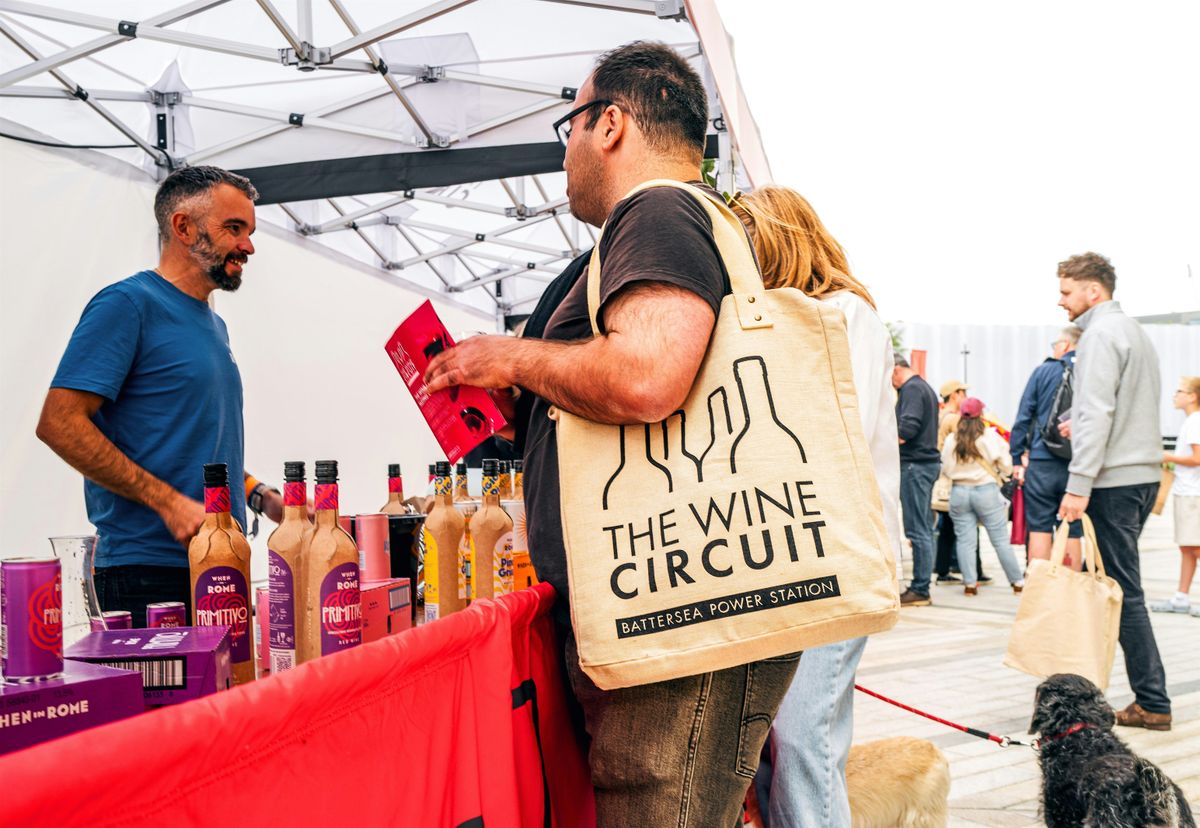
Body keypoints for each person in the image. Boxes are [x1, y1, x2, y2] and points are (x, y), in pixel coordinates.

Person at [422, 42, 797, 825]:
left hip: (677, 621)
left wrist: (511, 356)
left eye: (570, 127)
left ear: (612, 124)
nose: (564, 154)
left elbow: (647, 377)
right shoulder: (667, 221)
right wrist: (524, 397)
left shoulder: (657, 211)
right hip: (666, 613)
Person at [37, 166, 284, 628]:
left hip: (219, 564)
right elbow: (58, 423)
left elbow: (192, 440)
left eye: (249, 232)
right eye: (234, 228)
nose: (248, 246)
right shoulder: (127, 305)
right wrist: (168, 503)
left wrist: (258, 495)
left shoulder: (214, 324)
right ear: (183, 227)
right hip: (146, 576)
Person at [728, 186, 903, 827]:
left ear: (776, 239)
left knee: (804, 740)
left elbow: (833, 428)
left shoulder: (844, 314)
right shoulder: (790, 317)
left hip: (837, 553)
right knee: (775, 742)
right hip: (794, 552)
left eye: (745, 242)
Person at [1056, 251, 1170, 730]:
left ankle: (1153, 701)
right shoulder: (1133, 332)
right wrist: (1077, 422)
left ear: (1092, 291)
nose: (1061, 301)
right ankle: (1139, 694)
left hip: (1113, 480)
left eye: (1066, 291)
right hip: (1141, 473)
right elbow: (1115, 407)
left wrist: (1078, 483)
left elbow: (1099, 411)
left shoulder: (1100, 335)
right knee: (1118, 586)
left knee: (1123, 591)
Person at [1010, 327, 1084, 568]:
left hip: (1042, 461)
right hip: (1078, 463)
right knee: (1072, 526)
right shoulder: (1089, 371)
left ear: (1065, 345)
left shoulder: (1043, 371)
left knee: (1040, 527)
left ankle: (1039, 585)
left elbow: (1023, 417)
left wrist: (1016, 457)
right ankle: (1071, 585)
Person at [940, 399, 1026, 595]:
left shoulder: (952, 439)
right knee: (1000, 540)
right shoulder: (990, 436)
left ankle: (970, 585)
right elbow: (1007, 465)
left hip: (959, 491)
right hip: (986, 491)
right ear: (981, 415)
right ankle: (1017, 582)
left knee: (965, 541)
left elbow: (945, 467)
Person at [893, 354, 941, 606]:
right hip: (924, 465)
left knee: (917, 529)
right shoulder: (924, 387)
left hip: (914, 465)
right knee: (923, 528)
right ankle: (922, 585)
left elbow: (906, 430)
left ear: (895, 369)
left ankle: (920, 588)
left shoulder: (911, 389)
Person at [1151, 376, 1200, 614]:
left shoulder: (1195, 422)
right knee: (1187, 547)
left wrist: (1167, 457)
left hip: (1193, 494)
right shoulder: (1190, 421)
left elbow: (1197, 458)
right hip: (1186, 492)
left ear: (1192, 396)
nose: (1175, 395)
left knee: (1196, 547)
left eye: (1180, 391)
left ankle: (1182, 597)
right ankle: (1181, 597)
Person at [933, 379, 988, 584]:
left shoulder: (941, 415)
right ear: (955, 394)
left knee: (947, 527)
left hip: (945, 476)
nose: (965, 397)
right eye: (963, 393)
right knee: (969, 525)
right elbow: (969, 442)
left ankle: (943, 569)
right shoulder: (953, 419)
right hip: (958, 479)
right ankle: (975, 572)